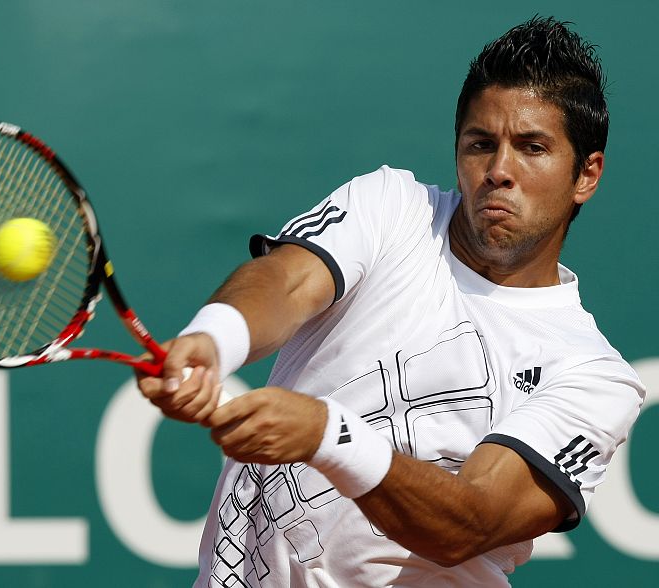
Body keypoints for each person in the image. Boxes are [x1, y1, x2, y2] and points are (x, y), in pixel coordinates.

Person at [137, 16, 645, 587]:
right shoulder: (393, 207)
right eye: (481, 144)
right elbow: (287, 282)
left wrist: (328, 435)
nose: (499, 171)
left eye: (532, 148)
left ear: (586, 175)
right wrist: (217, 337)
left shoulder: (594, 377)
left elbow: (469, 523)